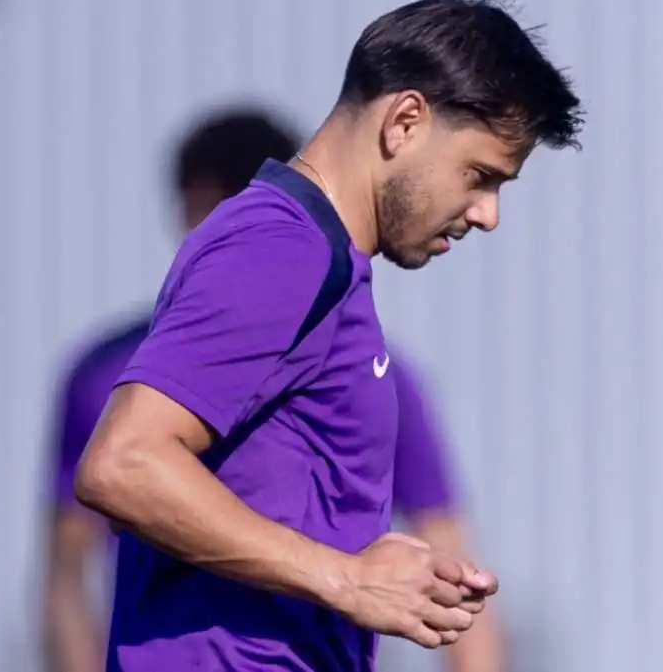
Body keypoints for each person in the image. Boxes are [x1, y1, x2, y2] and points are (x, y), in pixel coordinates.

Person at [73, 0, 583, 672]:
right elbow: (124, 463)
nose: (488, 213)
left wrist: (361, 564)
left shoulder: (325, 263)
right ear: (404, 120)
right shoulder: (280, 249)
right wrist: (345, 577)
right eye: (480, 175)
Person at [43, 108, 509, 672]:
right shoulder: (107, 374)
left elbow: (450, 559)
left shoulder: (378, 374)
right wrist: (347, 578)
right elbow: (77, 549)